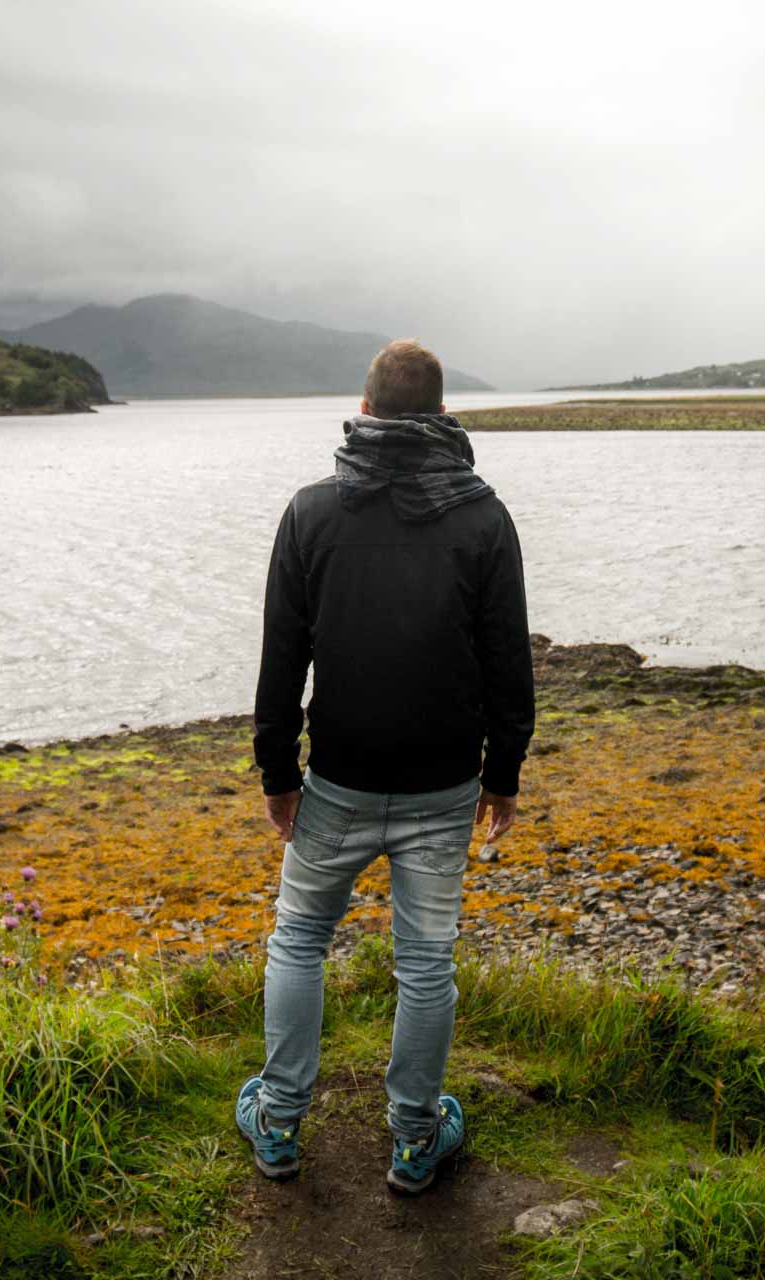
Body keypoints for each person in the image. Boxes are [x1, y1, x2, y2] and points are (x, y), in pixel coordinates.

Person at [237, 338, 535, 1195]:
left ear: (363, 411)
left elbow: (282, 656)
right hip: (444, 784)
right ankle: (414, 1140)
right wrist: (504, 773)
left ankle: (279, 1122)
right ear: (442, 416)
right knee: (426, 962)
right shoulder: (483, 517)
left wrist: (277, 772)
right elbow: (507, 662)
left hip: (338, 778)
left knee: (300, 939)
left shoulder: (311, 512)